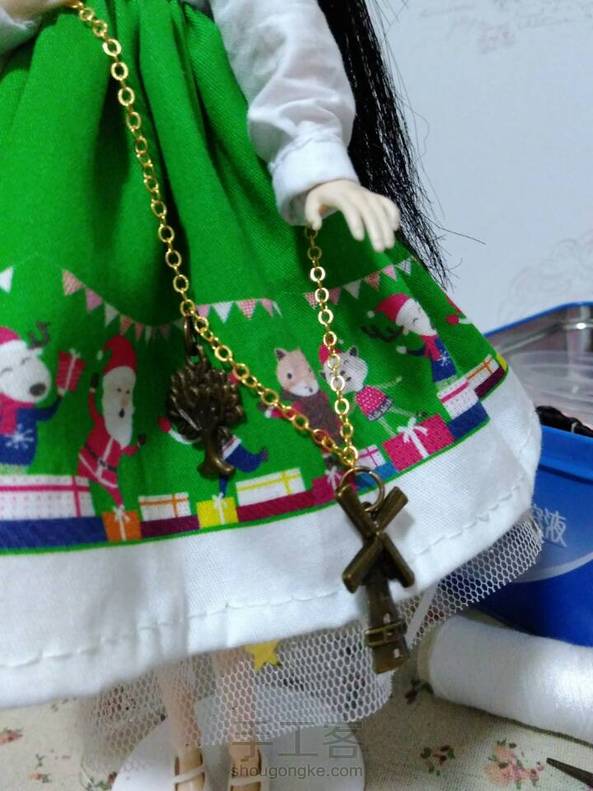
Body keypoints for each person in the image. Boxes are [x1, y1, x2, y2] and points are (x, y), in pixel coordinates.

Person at [0, 1, 542, 789]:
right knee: (145, 557)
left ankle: (247, 755)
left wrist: (314, 153)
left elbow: (270, 15)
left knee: (233, 564)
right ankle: (188, 756)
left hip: (210, 178)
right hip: (60, 186)